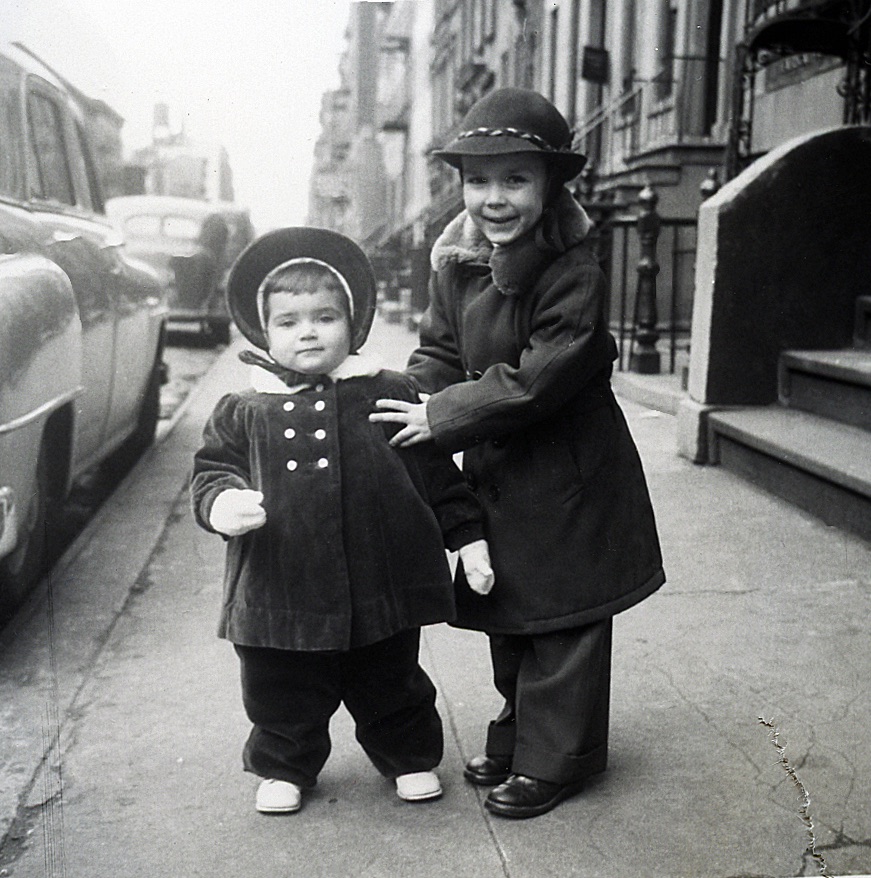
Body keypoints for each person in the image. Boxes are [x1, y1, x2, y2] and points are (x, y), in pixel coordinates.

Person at [370, 88, 665, 819]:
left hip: (569, 469)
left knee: (564, 615)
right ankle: (520, 731)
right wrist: (408, 397)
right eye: (477, 180)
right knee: (510, 608)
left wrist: (441, 415)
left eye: (514, 180)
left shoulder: (573, 269)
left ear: (550, 185)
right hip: (500, 467)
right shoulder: (459, 263)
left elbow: (539, 378)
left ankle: (556, 759)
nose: (492, 199)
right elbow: (439, 349)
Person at [190, 227, 494, 815]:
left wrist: (469, 538)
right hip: (279, 582)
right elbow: (211, 470)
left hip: (380, 577)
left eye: (325, 316)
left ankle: (408, 756)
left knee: (391, 677)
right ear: (262, 331)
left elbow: (435, 474)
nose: (308, 330)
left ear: (353, 325)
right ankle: (283, 765)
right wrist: (222, 503)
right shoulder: (244, 408)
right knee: (281, 686)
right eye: (289, 321)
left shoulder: (384, 391)